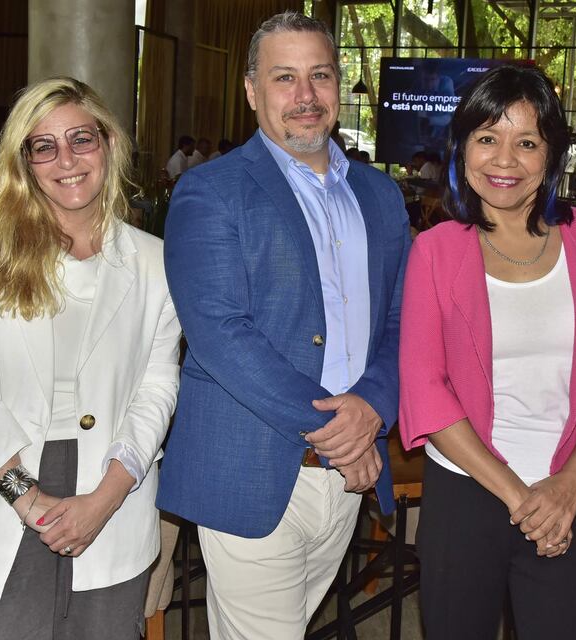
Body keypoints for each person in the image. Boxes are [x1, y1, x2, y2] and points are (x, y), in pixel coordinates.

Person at [157, 11, 410, 639]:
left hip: (348, 476)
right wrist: (342, 429)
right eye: (284, 78)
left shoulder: (380, 196)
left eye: (320, 76)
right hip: (252, 468)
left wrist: (374, 408)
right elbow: (221, 334)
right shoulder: (209, 192)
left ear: (338, 82)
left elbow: (401, 322)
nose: (305, 96)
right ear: (251, 91)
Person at [0, 76, 182, 640]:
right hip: (1, 480)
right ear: (24, 161)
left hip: (113, 486)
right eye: (44, 146)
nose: (67, 159)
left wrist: (107, 498)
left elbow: (158, 386)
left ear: (108, 144)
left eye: (82, 138)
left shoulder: (157, 262)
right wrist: (27, 500)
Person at [399, 64, 576, 639]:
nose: (504, 161)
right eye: (487, 138)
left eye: (526, 143)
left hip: (567, 494)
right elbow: (426, 391)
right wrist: (522, 498)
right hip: (468, 492)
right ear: (462, 146)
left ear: (552, 154)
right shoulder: (434, 251)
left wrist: (568, 485)